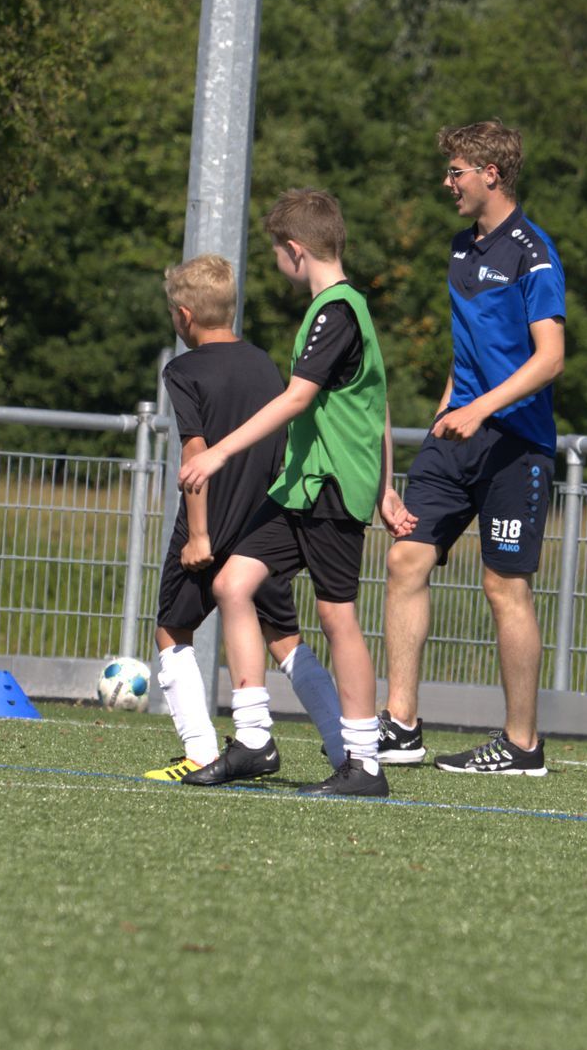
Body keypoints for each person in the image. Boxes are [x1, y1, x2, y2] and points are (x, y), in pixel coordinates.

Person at [178, 189, 403, 797]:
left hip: (331, 485)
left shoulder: (337, 311)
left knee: (337, 617)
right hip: (300, 485)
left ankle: (364, 764)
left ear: (295, 250)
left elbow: (298, 398)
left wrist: (219, 452)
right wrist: (389, 485)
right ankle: (254, 739)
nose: (276, 262)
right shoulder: (336, 310)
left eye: (277, 251)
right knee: (233, 583)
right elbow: (377, 401)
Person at [378, 121, 564, 776]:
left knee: (503, 585)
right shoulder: (460, 248)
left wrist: (481, 408)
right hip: (455, 435)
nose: (447, 182)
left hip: (517, 444)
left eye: (456, 171)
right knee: (404, 557)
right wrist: (445, 414)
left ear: (491, 173)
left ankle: (521, 744)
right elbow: (467, 354)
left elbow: (550, 358)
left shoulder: (533, 253)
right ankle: (401, 725)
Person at [145, 255, 348, 782]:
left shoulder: (182, 370)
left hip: (211, 521)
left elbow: (196, 453)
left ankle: (200, 751)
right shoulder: (263, 362)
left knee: (172, 630)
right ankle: (344, 751)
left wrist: (199, 534)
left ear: (184, 315)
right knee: (285, 639)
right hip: (263, 524)